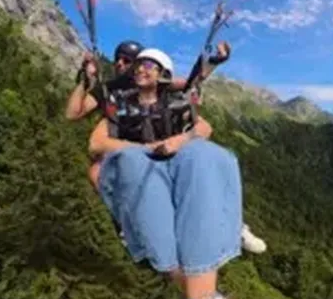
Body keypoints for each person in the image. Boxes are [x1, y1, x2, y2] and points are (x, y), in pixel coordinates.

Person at [89, 48, 263, 299]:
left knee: (202, 159)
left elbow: (201, 117)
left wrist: (177, 141)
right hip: (141, 166)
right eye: (137, 66)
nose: (141, 71)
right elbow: (97, 142)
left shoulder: (175, 99)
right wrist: (144, 146)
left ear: (162, 75)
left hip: (179, 160)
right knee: (134, 174)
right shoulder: (120, 103)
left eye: (150, 67)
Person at [65, 40, 268, 253]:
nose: (120, 64)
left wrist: (214, 61)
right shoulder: (109, 91)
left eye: (128, 60)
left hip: (160, 140)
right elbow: (73, 115)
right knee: (97, 170)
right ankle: (129, 225)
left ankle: (233, 225)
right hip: (132, 146)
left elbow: (192, 81)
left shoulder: (155, 85)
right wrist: (84, 80)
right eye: (118, 59)